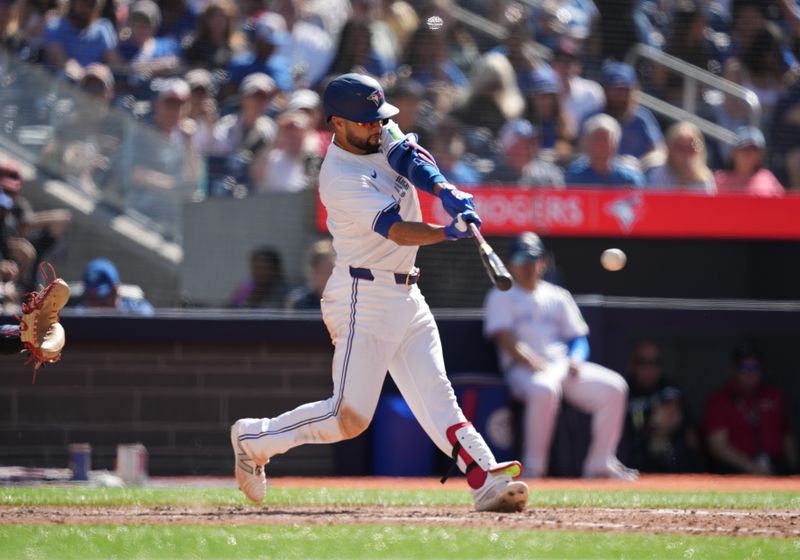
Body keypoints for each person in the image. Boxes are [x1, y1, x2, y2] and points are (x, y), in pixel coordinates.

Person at [230, 73, 529, 513]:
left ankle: (484, 478)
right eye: (366, 122)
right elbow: (397, 231)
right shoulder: (338, 176)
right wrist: (448, 231)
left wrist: (445, 190)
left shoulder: (377, 132)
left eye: (378, 119)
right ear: (337, 123)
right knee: (347, 417)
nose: (377, 127)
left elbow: (410, 158)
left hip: (406, 293)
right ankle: (253, 439)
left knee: (436, 392)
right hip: (361, 298)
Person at [483, 232, 636, 480]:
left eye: (533, 259)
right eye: (521, 259)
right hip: (523, 371)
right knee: (545, 389)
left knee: (614, 387)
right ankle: (534, 467)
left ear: (542, 262)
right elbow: (503, 337)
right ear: (510, 264)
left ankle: (600, 462)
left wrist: (576, 358)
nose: (527, 265)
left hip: (561, 366)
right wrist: (530, 359)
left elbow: (578, 337)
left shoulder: (558, 295)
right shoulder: (501, 295)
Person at [704, 341, 798, 475]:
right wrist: (753, 467)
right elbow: (717, 446)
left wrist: (793, 470)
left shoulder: (774, 395)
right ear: (733, 369)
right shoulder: (719, 400)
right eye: (745, 368)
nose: (751, 374)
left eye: (755, 368)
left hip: (776, 464)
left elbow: (787, 437)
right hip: (738, 469)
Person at [622, 340, 702, 473]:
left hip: (672, 457)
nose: (650, 367)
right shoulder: (623, 390)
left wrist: (655, 428)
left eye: (655, 362)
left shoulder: (668, 387)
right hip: (635, 458)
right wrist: (651, 429)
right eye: (643, 362)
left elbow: (672, 416)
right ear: (632, 365)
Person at [565, 114, 646, 187]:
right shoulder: (574, 178)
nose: (600, 146)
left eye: (606, 140)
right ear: (587, 144)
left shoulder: (629, 180)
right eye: (597, 139)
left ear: (616, 145)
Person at [487, 119, 565, 187]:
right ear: (509, 148)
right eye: (523, 143)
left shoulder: (549, 175)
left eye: (532, 142)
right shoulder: (494, 178)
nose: (529, 147)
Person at [647, 122, 716, 193]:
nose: (686, 154)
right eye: (680, 148)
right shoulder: (657, 174)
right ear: (670, 149)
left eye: (692, 148)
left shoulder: (705, 179)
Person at [715, 126, 785, 196]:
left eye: (753, 149)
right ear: (733, 152)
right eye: (743, 148)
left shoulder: (768, 180)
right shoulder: (718, 181)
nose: (748, 154)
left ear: (761, 155)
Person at [76, 257, 154, 315]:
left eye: (104, 298)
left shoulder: (137, 310)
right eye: (93, 299)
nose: (100, 307)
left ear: (116, 290)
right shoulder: (76, 316)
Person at [284, 239, 336, 310]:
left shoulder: (348, 301)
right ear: (313, 272)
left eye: (333, 271)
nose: (330, 276)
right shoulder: (299, 302)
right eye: (325, 271)